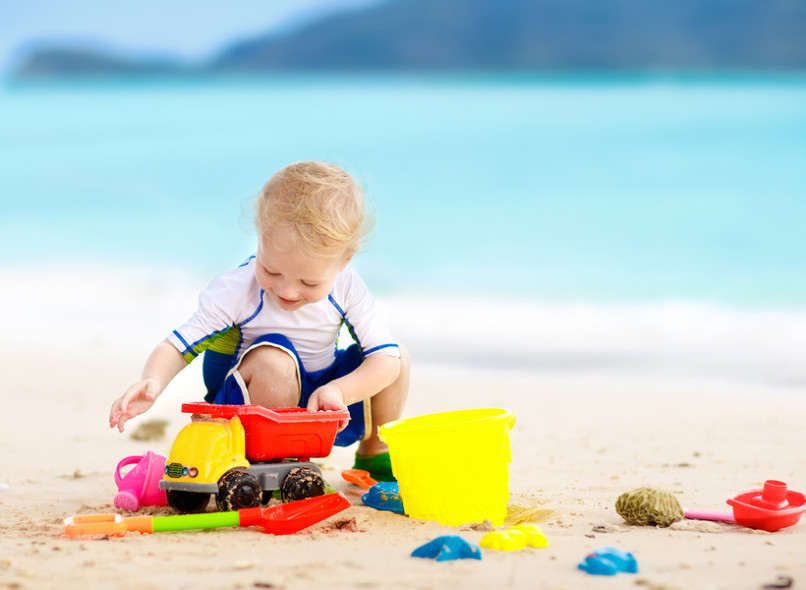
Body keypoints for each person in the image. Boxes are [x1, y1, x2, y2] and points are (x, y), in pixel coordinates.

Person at [109, 161, 409, 481]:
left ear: (343, 262)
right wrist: (153, 381)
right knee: (274, 360)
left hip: (320, 402)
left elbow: (385, 361)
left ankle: (374, 453)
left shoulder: (348, 288)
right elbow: (178, 346)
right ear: (259, 235)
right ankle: (270, 462)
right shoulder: (237, 290)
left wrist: (339, 392)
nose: (287, 291)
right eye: (271, 270)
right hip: (246, 411)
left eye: (309, 282)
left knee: (396, 356)